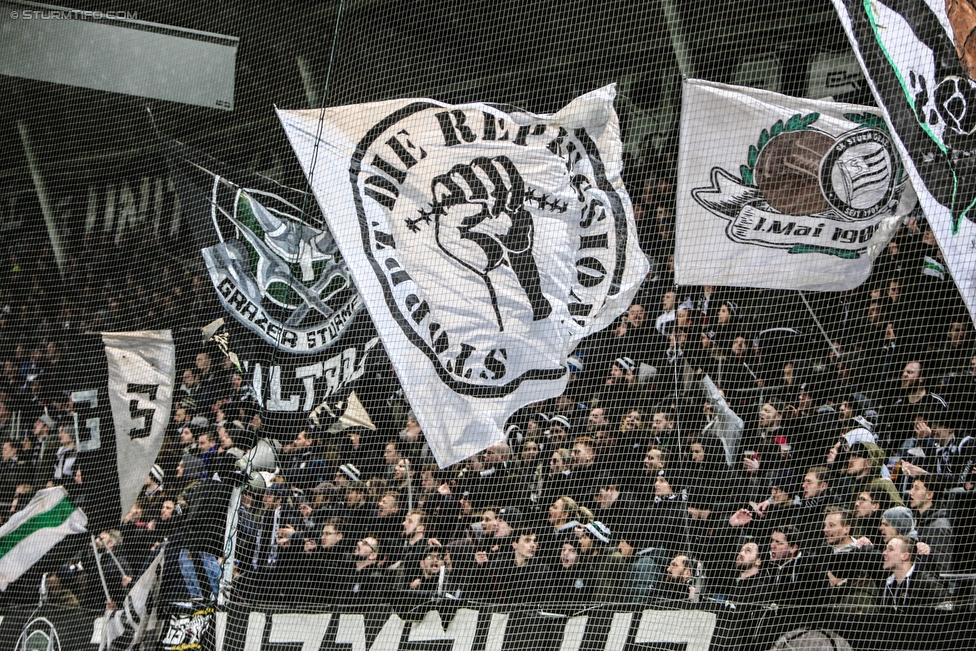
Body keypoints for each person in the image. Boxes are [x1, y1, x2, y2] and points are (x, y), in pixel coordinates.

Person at [879, 535, 948, 610]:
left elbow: (947, 606)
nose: (884, 553)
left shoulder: (926, 583)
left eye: (890, 549)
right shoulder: (887, 582)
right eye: (885, 549)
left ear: (905, 556)